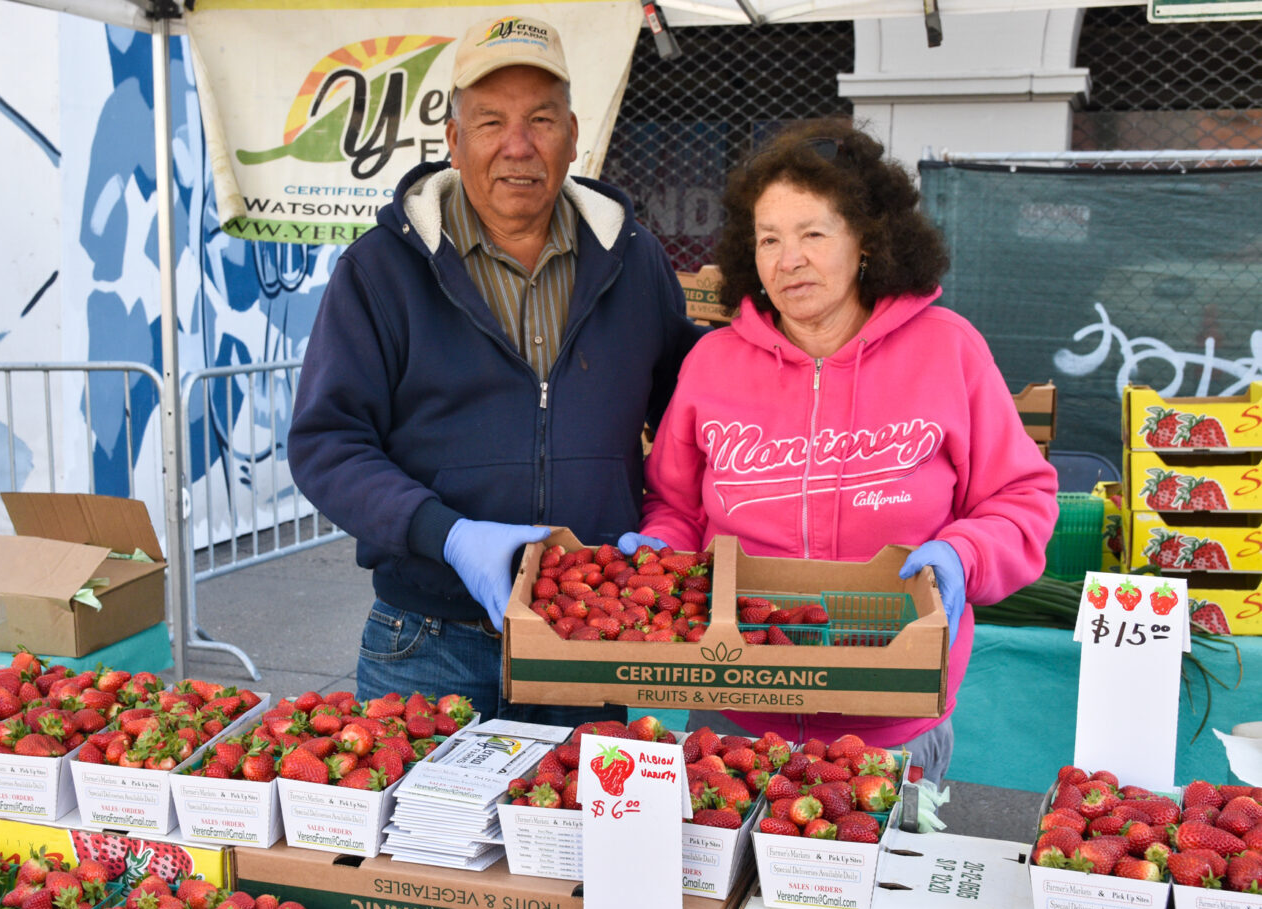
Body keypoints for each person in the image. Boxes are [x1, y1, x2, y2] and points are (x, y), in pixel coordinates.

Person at [287, 14, 700, 723]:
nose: (518, 147)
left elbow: (694, 409)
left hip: (588, 632)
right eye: (490, 122)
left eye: (541, 119)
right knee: (419, 838)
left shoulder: (635, 261)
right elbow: (326, 444)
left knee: (574, 835)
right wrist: (445, 534)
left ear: (574, 135)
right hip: (428, 637)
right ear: (452, 140)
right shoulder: (380, 271)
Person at [628, 123, 1058, 784]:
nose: (788, 259)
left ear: (867, 238)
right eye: (769, 239)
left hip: (891, 730)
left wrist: (963, 556)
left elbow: (1020, 499)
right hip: (732, 723)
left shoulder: (948, 349)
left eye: (813, 234)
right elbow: (676, 505)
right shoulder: (712, 362)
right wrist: (661, 552)